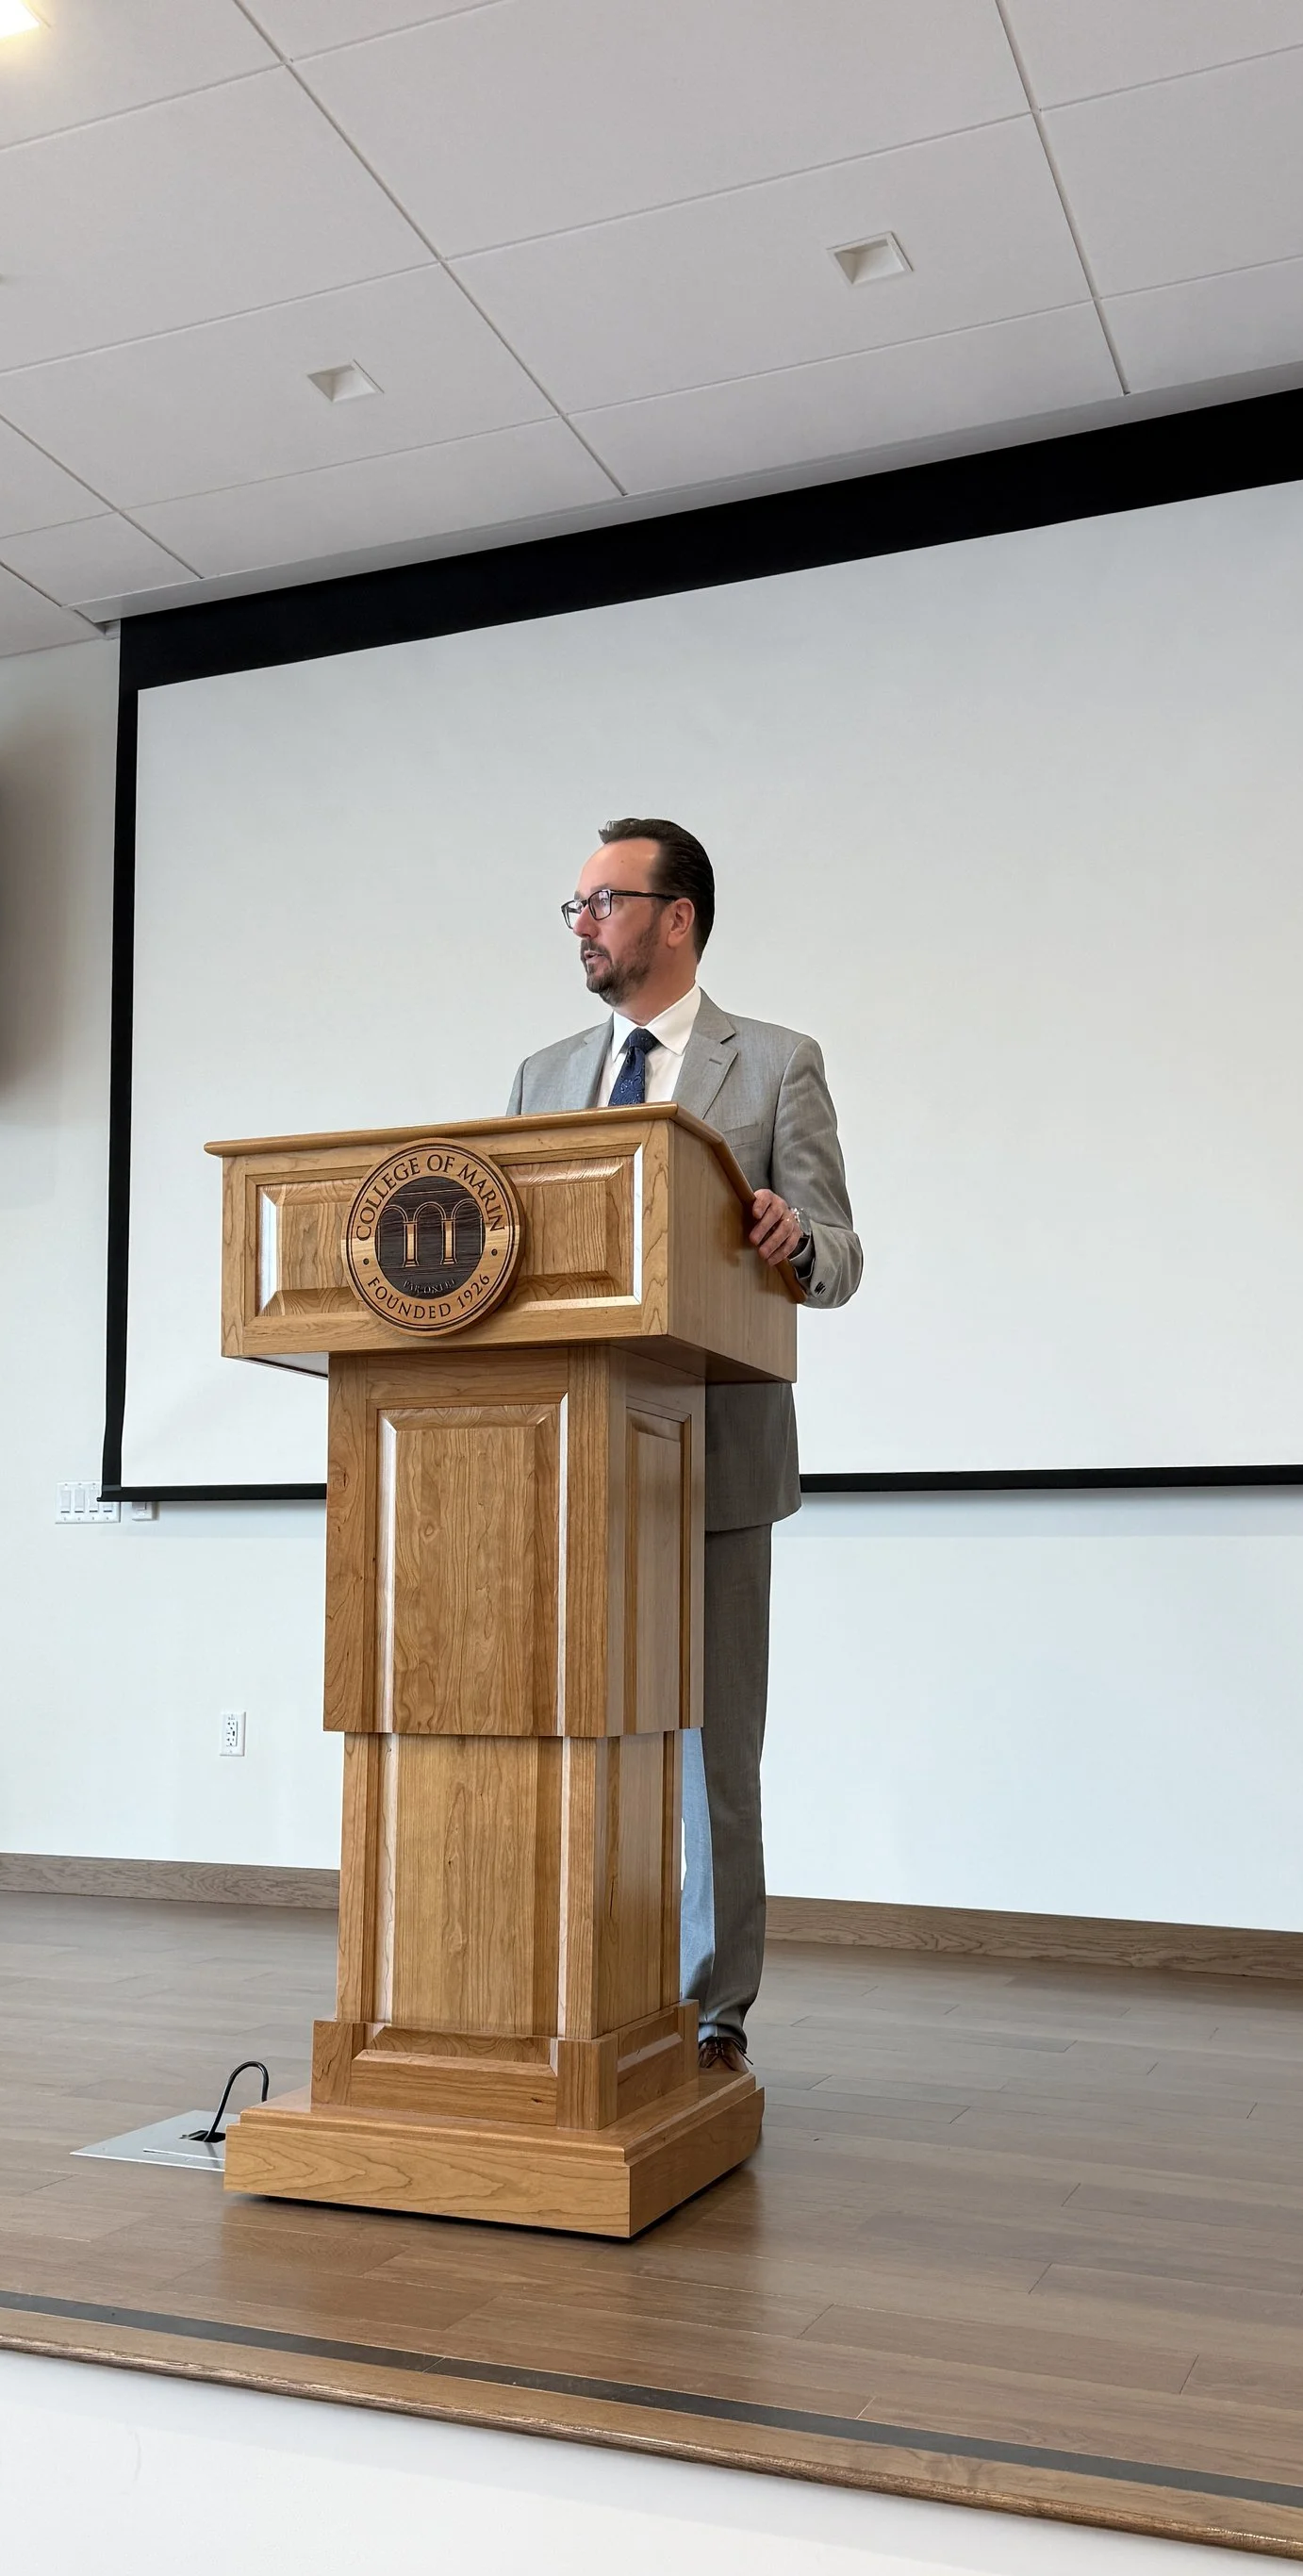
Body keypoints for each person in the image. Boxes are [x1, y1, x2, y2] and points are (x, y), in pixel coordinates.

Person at [507, 817, 861, 2079]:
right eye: (577, 905)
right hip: (569, 1463)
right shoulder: (542, 1077)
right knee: (575, 1734)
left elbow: (841, 1257)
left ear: (677, 917)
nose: (584, 922)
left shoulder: (773, 1065)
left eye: (605, 900)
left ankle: (712, 2014)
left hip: (716, 1456)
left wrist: (790, 1235)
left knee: (712, 1752)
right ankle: (578, 1980)